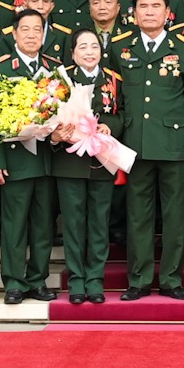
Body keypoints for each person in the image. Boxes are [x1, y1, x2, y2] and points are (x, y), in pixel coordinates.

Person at [115, 0, 184, 301]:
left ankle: (172, 280)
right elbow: (115, 99)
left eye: (155, 6)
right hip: (135, 145)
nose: (149, 12)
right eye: (143, 6)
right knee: (138, 215)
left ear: (168, 13)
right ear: (134, 13)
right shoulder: (121, 49)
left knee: (175, 216)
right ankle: (139, 279)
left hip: (173, 144)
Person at [0, 9, 58, 305]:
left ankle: (37, 279)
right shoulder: (1, 68)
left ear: (44, 35)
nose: (31, 35)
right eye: (25, 30)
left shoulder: (54, 70)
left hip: (46, 160)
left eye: (37, 30)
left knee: (43, 224)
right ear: (14, 34)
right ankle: (14, 281)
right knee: (14, 224)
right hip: (14, 161)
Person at [52, 30, 124, 305]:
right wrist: (57, 133)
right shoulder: (61, 82)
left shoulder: (113, 81)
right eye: (83, 47)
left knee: (98, 222)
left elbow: (123, 114)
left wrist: (110, 125)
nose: (90, 51)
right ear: (73, 53)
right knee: (73, 223)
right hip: (69, 162)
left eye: (94, 46)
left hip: (100, 161)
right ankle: (76, 280)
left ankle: (95, 279)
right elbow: (47, 115)